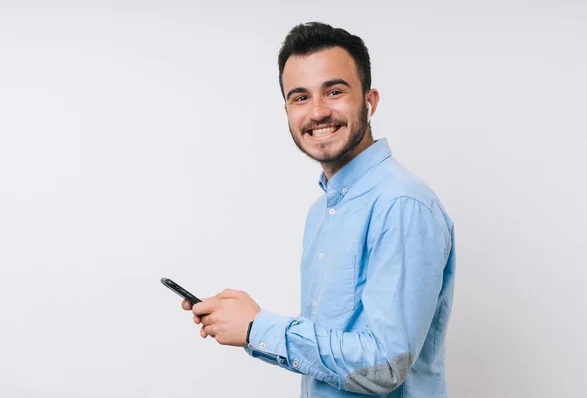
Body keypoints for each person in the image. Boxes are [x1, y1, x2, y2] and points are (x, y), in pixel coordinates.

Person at [181, 22, 456, 398]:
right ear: (287, 110)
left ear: (370, 101)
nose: (318, 112)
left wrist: (257, 328)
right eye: (300, 97)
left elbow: (385, 366)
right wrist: (245, 326)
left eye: (335, 91)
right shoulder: (322, 211)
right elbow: (327, 360)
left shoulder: (402, 205)